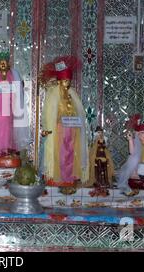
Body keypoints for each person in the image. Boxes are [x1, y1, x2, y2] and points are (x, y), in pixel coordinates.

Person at [41, 56, 88, 194]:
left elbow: (80, 113)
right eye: (64, 81)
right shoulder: (53, 93)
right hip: (59, 130)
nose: (67, 84)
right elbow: (49, 114)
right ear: (60, 81)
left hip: (72, 131)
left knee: (70, 154)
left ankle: (69, 178)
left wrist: (77, 124)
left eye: (68, 81)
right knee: (60, 154)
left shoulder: (73, 94)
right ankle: (58, 177)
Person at [0, 52, 30, 167]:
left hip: (10, 108)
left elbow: (17, 91)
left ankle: (8, 151)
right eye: (0, 63)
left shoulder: (12, 75)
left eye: (5, 62)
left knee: (9, 129)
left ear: (8, 63)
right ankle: (0, 152)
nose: (3, 65)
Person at [87, 126, 114, 196]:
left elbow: (106, 149)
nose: (100, 134)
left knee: (105, 170)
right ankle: (98, 181)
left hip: (104, 157)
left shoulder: (104, 140)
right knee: (98, 170)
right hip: (97, 158)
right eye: (98, 132)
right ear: (96, 133)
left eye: (101, 132)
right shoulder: (95, 141)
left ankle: (105, 182)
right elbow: (92, 151)